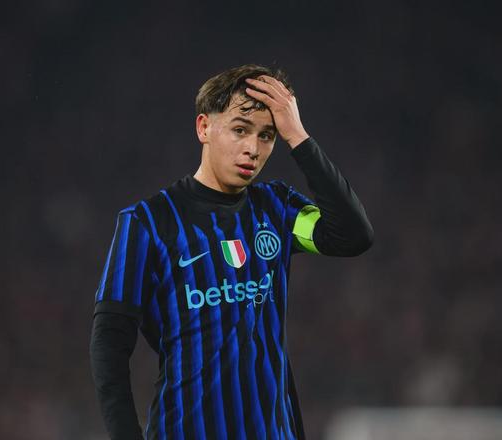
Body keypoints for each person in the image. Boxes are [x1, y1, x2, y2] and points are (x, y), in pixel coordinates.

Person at [89, 64, 374, 439]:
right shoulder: (148, 222)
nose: (252, 148)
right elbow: (109, 342)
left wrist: (298, 136)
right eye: (240, 130)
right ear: (204, 127)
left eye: (267, 135)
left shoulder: (278, 208)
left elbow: (353, 235)